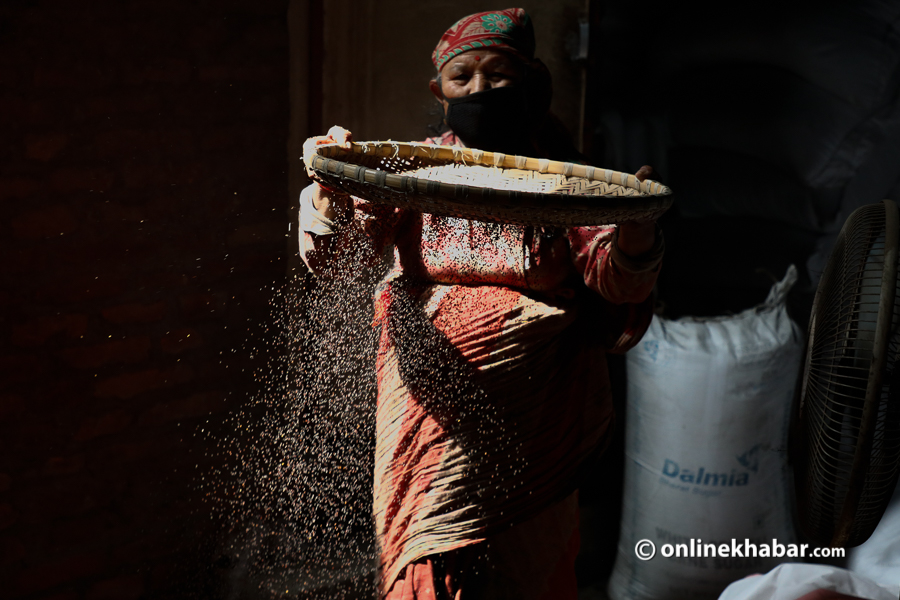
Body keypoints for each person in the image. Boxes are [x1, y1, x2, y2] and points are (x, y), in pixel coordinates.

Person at [298, 8, 664, 600]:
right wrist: (330, 195)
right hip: (431, 417)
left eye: (498, 75)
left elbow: (616, 281)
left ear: (530, 82)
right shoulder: (411, 171)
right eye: (461, 77)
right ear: (438, 91)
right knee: (434, 562)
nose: (479, 90)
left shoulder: (563, 181)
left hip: (537, 424)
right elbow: (349, 255)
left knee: (525, 571)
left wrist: (637, 231)